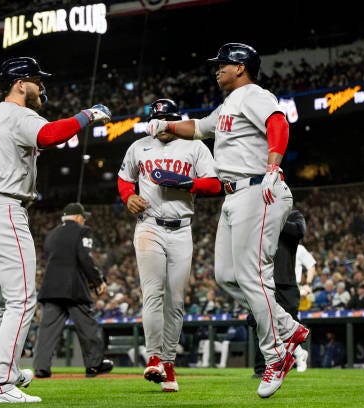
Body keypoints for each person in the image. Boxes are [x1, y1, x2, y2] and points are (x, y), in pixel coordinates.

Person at [145, 43, 307, 398]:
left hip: (257, 186)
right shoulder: (229, 104)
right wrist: (169, 126)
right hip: (233, 194)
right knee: (226, 276)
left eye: (223, 64)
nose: (217, 69)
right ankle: (287, 328)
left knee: (252, 275)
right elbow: (200, 127)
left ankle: (276, 354)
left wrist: (274, 165)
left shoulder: (254, 94)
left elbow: (277, 123)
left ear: (241, 67)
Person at [0, 56, 111, 403]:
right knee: (21, 300)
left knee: (2, 302)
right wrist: (86, 115)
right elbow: (49, 134)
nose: (42, 86)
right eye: (36, 80)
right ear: (19, 84)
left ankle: (8, 372)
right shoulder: (18, 114)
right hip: (5, 210)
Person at [117, 98, 220, 392]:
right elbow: (124, 179)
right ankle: (153, 358)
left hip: (182, 229)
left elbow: (214, 183)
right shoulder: (139, 146)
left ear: (176, 120)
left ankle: (169, 364)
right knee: (153, 292)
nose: (162, 127)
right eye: (158, 122)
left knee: (175, 302)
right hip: (149, 226)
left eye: (167, 121)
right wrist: (128, 198)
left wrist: (186, 184)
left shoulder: (195, 146)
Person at [32, 202, 114, 379]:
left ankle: (41, 367)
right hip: (74, 288)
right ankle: (93, 365)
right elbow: (84, 258)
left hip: (51, 287)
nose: (84, 221)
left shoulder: (51, 235)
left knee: (47, 330)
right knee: (88, 327)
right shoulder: (82, 231)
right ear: (78, 217)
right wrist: (97, 280)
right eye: (83, 218)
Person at [247, 209, 310, 379]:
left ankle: (294, 357)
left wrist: (271, 218)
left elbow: (299, 230)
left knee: (288, 326)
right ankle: (261, 369)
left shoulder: (293, 216)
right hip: (264, 281)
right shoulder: (260, 216)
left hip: (287, 283)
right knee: (260, 324)